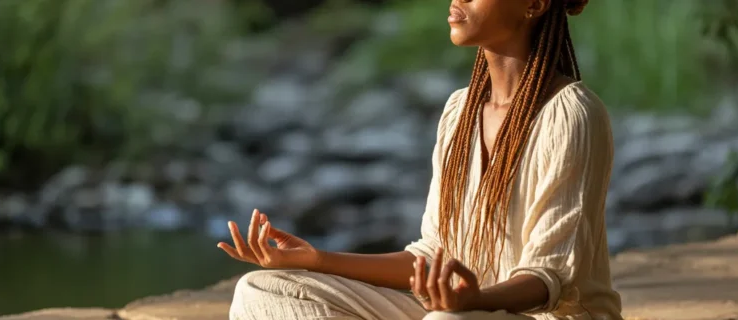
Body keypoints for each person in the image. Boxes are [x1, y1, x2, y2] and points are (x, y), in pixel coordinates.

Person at [218, 0, 622, 319]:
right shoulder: (458, 112)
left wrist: (473, 301)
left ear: (533, 4)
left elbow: (549, 278)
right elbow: (429, 254)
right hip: (461, 312)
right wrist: (317, 260)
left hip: (539, 317)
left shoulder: (571, 114)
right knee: (261, 290)